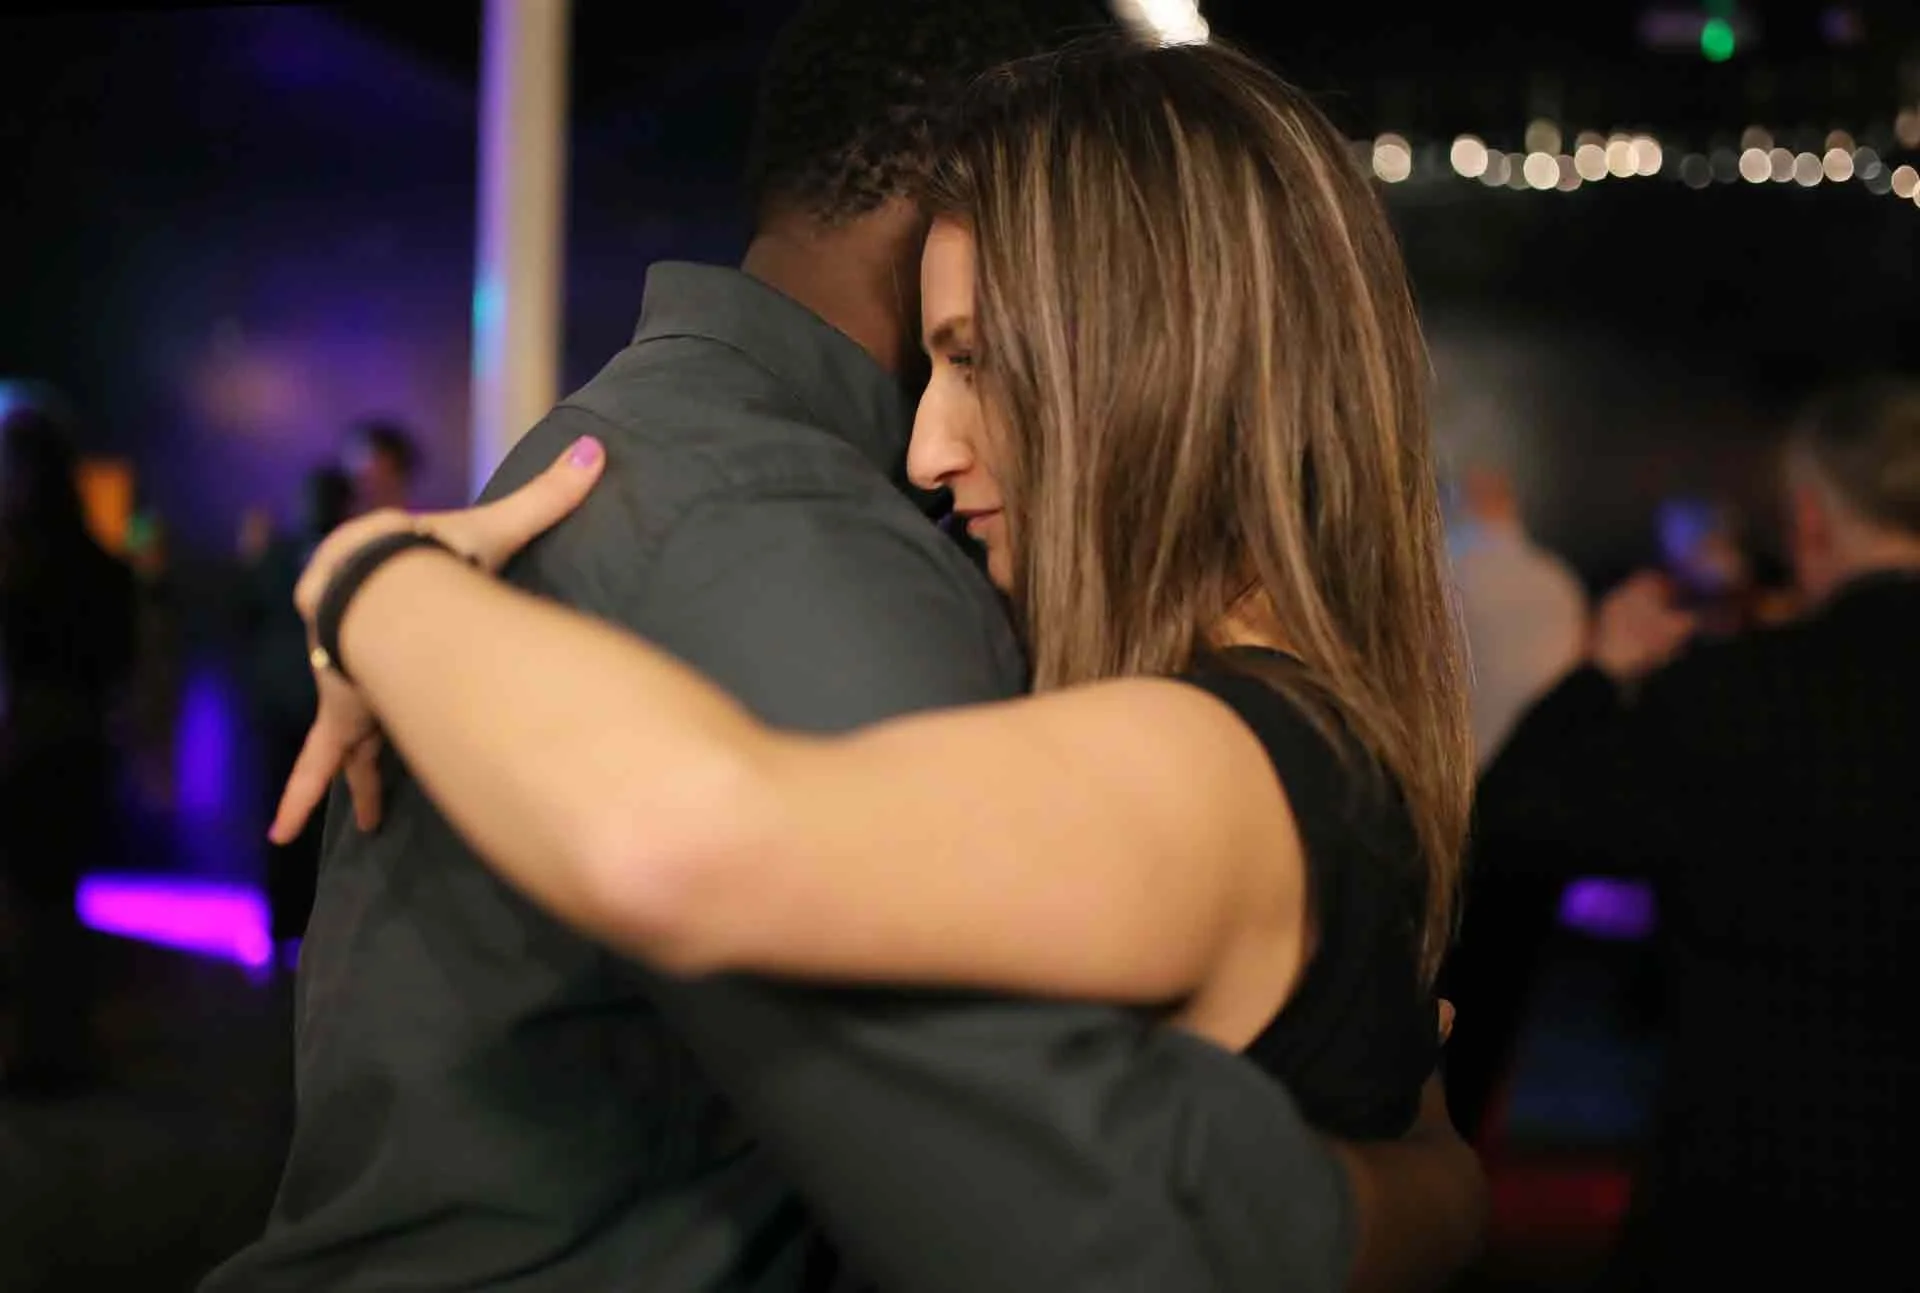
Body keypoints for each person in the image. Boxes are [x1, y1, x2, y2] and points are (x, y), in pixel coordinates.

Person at [207, 14, 1484, 1293]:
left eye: (974, 359)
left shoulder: (1207, 754)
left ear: (1153, 359)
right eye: (935, 362)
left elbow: (680, 844)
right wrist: (1426, 1188)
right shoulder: (1322, 750)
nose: (925, 449)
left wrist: (373, 579)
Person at [1472, 377, 1920, 1287]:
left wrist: (1600, 673)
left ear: (1811, 519)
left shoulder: (1739, 696)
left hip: (1746, 1199)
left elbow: (1518, 824)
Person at [0, 402, 136, 1096]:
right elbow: (122, 661)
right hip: (73, 745)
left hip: (33, 745)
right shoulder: (98, 565)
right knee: (54, 902)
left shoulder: (23, 561)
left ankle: (39, 1045)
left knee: (34, 901)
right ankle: (56, 1042)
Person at [237, 466, 357, 952]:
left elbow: (246, 622)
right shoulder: (331, 555)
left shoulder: (282, 555)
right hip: (300, 704)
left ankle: (291, 924)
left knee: (301, 818)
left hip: (303, 704)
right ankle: (293, 923)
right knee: (301, 818)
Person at [345, 419, 421, 513]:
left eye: (366, 457)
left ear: (390, 463)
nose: (357, 469)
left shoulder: (421, 518)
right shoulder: (349, 518)